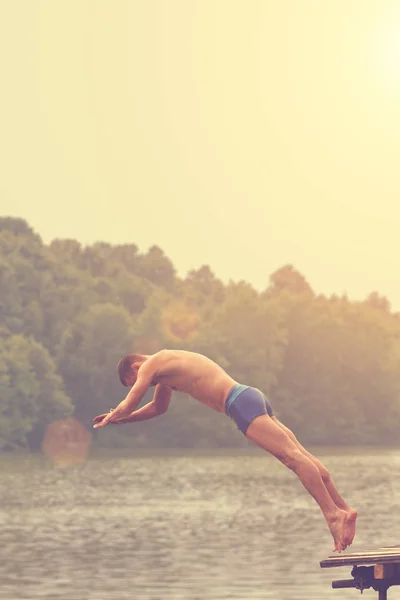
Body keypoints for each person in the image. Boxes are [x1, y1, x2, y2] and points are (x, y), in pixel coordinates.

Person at [93, 348, 357, 552]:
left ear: (136, 366)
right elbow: (157, 408)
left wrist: (113, 416)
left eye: (137, 379)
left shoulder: (152, 363)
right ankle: (344, 509)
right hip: (248, 397)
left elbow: (132, 399)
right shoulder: (165, 370)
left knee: (292, 458)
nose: (146, 383)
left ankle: (332, 515)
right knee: (301, 455)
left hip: (238, 403)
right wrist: (122, 418)